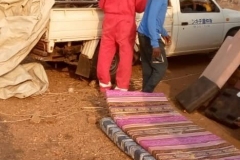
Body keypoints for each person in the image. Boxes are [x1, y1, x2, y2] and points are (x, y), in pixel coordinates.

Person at [97, 0, 146, 92]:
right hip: (126, 21)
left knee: (105, 52)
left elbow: (101, 4)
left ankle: (104, 83)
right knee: (126, 55)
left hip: (109, 19)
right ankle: (122, 86)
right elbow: (140, 8)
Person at [138, 0, 171, 93]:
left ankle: (145, 94)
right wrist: (155, 43)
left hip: (144, 34)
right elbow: (151, 19)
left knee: (148, 67)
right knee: (161, 68)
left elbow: (156, 20)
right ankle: (146, 91)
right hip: (149, 37)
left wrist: (164, 32)